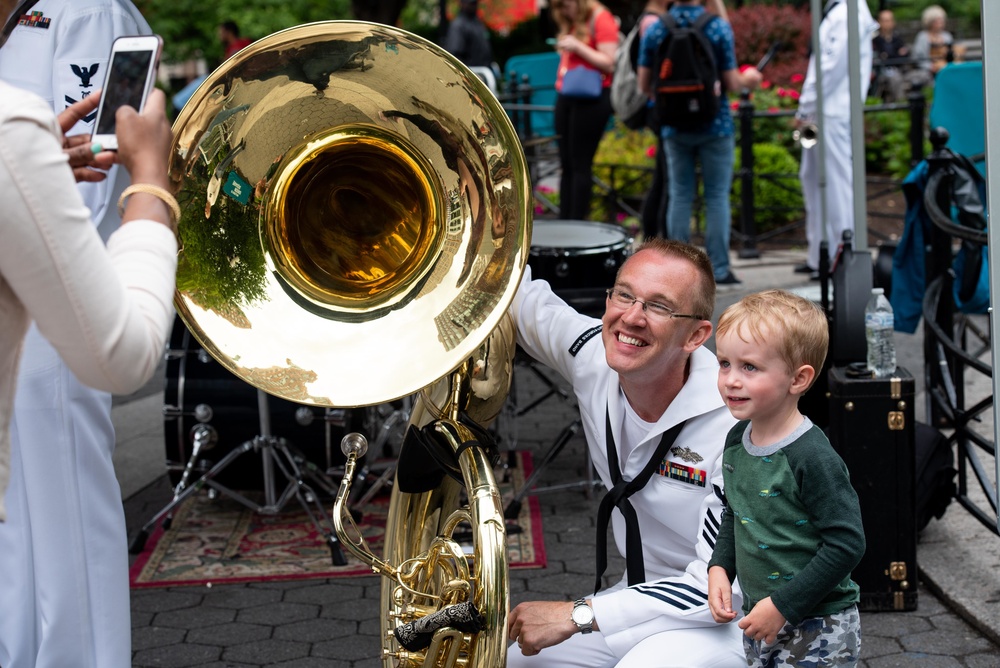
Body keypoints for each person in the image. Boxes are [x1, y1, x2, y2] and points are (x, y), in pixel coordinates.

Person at [0, 2, 162, 666]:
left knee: (65, 507)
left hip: (56, 299)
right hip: (18, 289)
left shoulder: (85, 9)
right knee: (16, 519)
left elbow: (94, 172)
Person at [507, 238, 743, 667]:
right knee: (518, 662)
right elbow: (520, 298)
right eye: (624, 295)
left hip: (728, 619)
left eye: (658, 306)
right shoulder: (591, 354)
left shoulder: (737, 426)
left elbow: (722, 588)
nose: (631, 318)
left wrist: (579, 614)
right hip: (637, 602)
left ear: (696, 335)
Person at [709, 289, 865, 666]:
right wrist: (719, 567)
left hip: (819, 625)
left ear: (798, 379)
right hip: (761, 616)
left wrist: (783, 605)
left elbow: (847, 543)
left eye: (749, 367)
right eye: (724, 363)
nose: (731, 380)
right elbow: (736, 512)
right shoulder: (737, 438)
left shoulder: (811, 456)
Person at [637, 0, 761, 286]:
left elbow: (645, 85)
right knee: (716, 196)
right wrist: (750, 80)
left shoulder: (657, 29)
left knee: (680, 194)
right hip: (714, 123)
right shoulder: (717, 26)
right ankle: (718, 268)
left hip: (673, 125)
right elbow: (732, 82)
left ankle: (680, 271)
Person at [793, 0, 875, 278]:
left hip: (833, 111)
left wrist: (805, 106)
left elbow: (829, 68)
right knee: (814, 180)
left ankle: (840, 256)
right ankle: (819, 254)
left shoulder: (847, 13)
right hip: (825, 111)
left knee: (836, 185)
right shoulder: (842, 11)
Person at [551, 0, 618, 221]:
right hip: (567, 95)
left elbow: (609, 62)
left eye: (565, 5)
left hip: (592, 98)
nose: (563, 10)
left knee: (580, 163)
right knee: (566, 163)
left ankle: (578, 223)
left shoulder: (601, 18)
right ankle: (565, 220)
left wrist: (578, 46)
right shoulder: (572, 21)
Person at [910, 5, 956, 89]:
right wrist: (930, 66)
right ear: (930, 22)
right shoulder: (922, 37)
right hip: (927, 70)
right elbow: (917, 57)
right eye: (938, 20)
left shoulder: (947, 36)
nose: (941, 22)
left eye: (942, 20)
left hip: (945, 67)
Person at [871, 9, 909, 102]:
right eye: (884, 20)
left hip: (902, 70)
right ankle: (902, 107)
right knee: (896, 79)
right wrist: (896, 55)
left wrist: (889, 55)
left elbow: (906, 55)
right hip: (883, 73)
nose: (887, 23)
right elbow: (880, 58)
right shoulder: (875, 41)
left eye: (889, 20)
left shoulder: (898, 38)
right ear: (879, 22)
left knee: (922, 76)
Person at [444, 0, 493, 69]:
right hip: (473, 74)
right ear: (462, 3)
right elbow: (455, 56)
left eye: (475, 3)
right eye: (471, 3)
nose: (474, 6)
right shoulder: (458, 25)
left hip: (485, 71)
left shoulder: (477, 23)